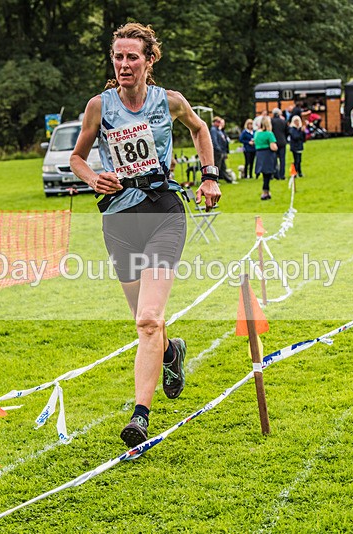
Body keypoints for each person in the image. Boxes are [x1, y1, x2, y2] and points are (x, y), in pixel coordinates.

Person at [69, 22, 220, 448]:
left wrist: (209, 176)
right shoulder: (98, 107)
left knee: (148, 319)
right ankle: (172, 353)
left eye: (132, 56)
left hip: (163, 214)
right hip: (119, 223)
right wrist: (93, 176)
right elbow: (77, 157)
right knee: (146, 320)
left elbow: (200, 129)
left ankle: (140, 415)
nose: (123, 64)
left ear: (149, 60)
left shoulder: (169, 101)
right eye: (118, 56)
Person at [253, 116, 277, 200]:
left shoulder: (256, 133)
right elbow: (273, 147)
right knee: (268, 175)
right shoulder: (269, 134)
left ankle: (267, 191)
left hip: (259, 154)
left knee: (264, 175)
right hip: (268, 154)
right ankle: (265, 192)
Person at [210, 116, 232, 183]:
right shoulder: (213, 130)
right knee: (217, 167)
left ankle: (228, 180)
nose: (219, 123)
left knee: (223, 166)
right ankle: (214, 181)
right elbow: (214, 140)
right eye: (218, 122)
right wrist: (218, 149)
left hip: (221, 151)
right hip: (217, 151)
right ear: (214, 122)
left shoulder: (218, 130)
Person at [270, 108, 288, 179]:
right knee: (282, 159)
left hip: (274, 142)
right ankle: (282, 175)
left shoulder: (271, 121)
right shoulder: (283, 121)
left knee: (274, 159)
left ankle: (276, 174)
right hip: (282, 142)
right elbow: (287, 131)